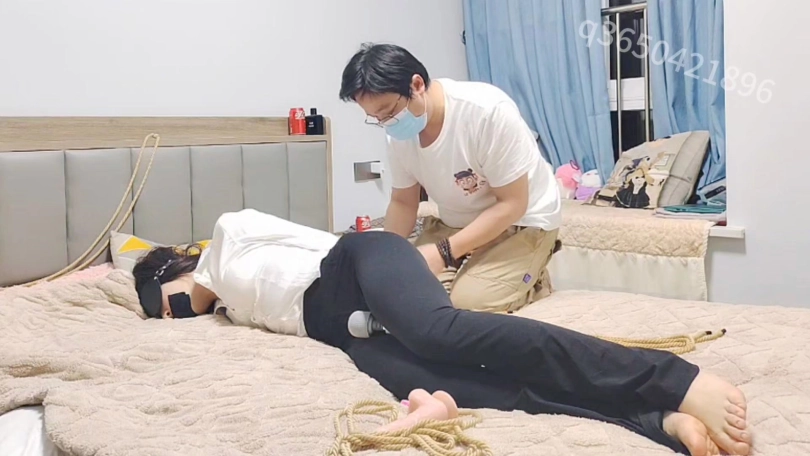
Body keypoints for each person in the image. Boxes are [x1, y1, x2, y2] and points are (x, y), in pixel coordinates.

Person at [133, 209, 751, 456]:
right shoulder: (229, 312)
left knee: (438, 333)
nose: (170, 317)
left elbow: (320, 244)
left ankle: (675, 379)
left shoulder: (229, 236)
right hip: (342, 332)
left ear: (171, 273)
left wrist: (181, 289)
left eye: (162, 305)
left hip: (356, 262)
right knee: (473, 387)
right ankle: (656, 420)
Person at [339, 43, 561, 313]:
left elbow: (513, 204)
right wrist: (386, 257)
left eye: (388, 112)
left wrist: (443, 252)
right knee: (405, 294)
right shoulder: (398, 134)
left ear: (417, 85)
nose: (386, 123)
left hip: (520, 222)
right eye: (376, 118)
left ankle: (532, 280)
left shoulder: (486, 112)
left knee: (466, 306)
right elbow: (403, 203)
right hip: (455, 223)